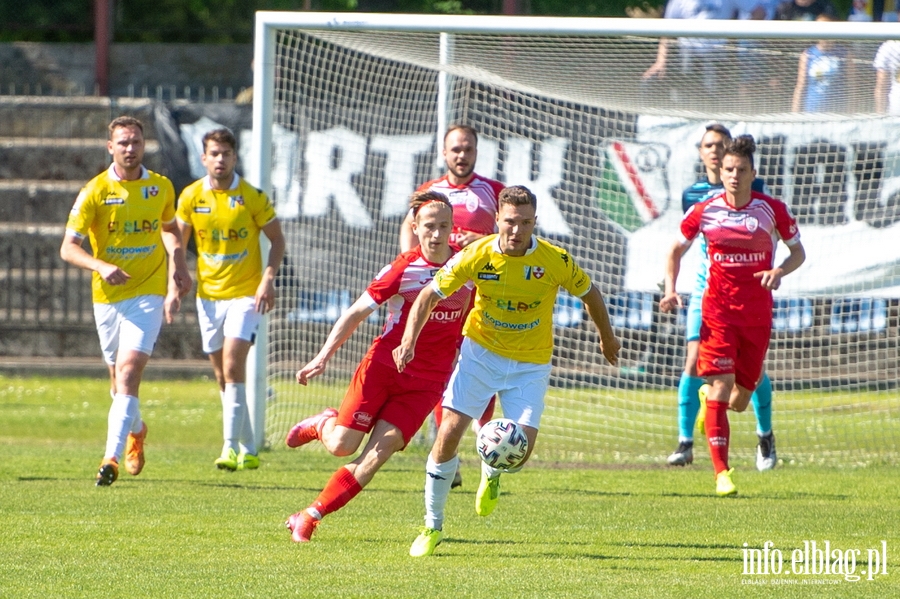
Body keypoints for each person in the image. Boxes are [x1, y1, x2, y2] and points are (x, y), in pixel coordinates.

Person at [394, 185, 620, 557]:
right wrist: (408, 341)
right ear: (496, 219)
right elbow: (428, 295)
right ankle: (432, 526)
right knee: (447, 434)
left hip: (530, 363)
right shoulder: (476, 254)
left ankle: (492, 471)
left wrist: (607, 339)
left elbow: (591, 293)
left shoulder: (554, 259)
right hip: (480, 354)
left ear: (535, 223)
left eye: (526, 223)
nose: (517, 231)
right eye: (510, 222)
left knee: (519, 452)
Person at [284, 192, 472, 543]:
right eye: (429, 226)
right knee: (342, 445)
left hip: (426, 384)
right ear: (415, 228)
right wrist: (323, 356)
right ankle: (324, 423)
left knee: (376, 456)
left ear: (452, 228)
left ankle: (309, 515)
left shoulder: (466, 269)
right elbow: (355, 312)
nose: (436, 234)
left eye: (443, 226)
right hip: (383, 369)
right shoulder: (403, 268)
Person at [660, 136, 806, 497]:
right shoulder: (704, 210)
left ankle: (710, 404)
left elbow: (798, 253)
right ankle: (722, 472)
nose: (734, 176)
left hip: (756, 316)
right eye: (729, 170)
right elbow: (675, 251)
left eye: (742, 170)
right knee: (722, 387)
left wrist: (779, 272)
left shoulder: (771, 210)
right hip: (717, 312)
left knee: (740, 399)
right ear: (720, 173)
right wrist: (670, 289)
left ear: (753, 173)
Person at [60, 116, 191, 486]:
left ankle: (110, 459)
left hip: (147, 292)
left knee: (129, 373)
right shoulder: (95, 191)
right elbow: (68, 248)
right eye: (123, 143)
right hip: (107, 297)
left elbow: (169, 230)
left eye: (135, 142)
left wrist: (178, 266)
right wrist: (100, 265)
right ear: (110, 147)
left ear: (144, 144)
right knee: (118, 385)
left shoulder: (161, 187)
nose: (130, 149)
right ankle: (137, 429)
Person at [666, 124, 777, 472]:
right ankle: (685, 442)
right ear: (701, 153)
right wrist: (672, 287)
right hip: (707, 290)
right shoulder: (694, 195)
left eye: (719, 145)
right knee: (693, 360)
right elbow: (684, 244)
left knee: (752, 370)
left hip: (748, 293)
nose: (713, 151)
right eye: (707, 146)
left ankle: (765, 434)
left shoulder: (755, 191)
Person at [400, 124, 505, 489]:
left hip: (482, 298)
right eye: (455, 149)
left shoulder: (492, 192)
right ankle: (449, 457)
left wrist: (484, 239)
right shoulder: (429, 193)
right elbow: (408, 226)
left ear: (477, 152)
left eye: (468, 149)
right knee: (439, 373)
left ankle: (487, 447)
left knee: (482, 372)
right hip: (442, 298)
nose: (462, 155)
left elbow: (511, 234)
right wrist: (408, 263)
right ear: (444, 153)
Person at [176, 128, 285, 471]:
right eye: (214, 153)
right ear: (204, 158)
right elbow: (177, 240)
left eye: (226, 153)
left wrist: (267, 279)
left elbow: (277, 240)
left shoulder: (251, 196)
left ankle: (228, 449)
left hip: (245, 295)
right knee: (224, 377)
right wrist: (176, 276)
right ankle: (249, 447)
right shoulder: (192, 196)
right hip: (208, 297)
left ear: (235, 157)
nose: (220, 159)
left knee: (233, 365)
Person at [641, 0, 741, 102]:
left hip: (716, 56)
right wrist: (660, 61)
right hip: (687, 55)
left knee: (714, 97)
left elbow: (753, 11)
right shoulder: (678, 2)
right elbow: (667, 31)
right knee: (685, 95)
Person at [791, 15, 848, 113]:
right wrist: (794, 113)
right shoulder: (808, 54)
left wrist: (852, 112)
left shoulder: (845, 54)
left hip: (837, 112)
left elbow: (851, 85)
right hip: (812, 111)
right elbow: (800, 86)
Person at [873, 40, 900, 114]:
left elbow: (881, 86)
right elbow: (881, 85)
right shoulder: (889, 46)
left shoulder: (888, 46)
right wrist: (879, 115)